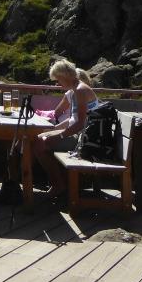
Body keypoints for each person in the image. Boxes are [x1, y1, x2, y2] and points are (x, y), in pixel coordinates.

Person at [31, 59, 99, 199]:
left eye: (58, 80)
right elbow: (74, 119)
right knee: (38, 138)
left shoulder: (80, 91)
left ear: (64, 77)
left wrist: (58, 136)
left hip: (84, 139)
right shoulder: (76, 90)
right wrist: (53, 129)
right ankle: (59, 183)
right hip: (80, 133)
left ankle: (58, 185)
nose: (58, 84)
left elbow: (80, 124)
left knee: (39, 144)